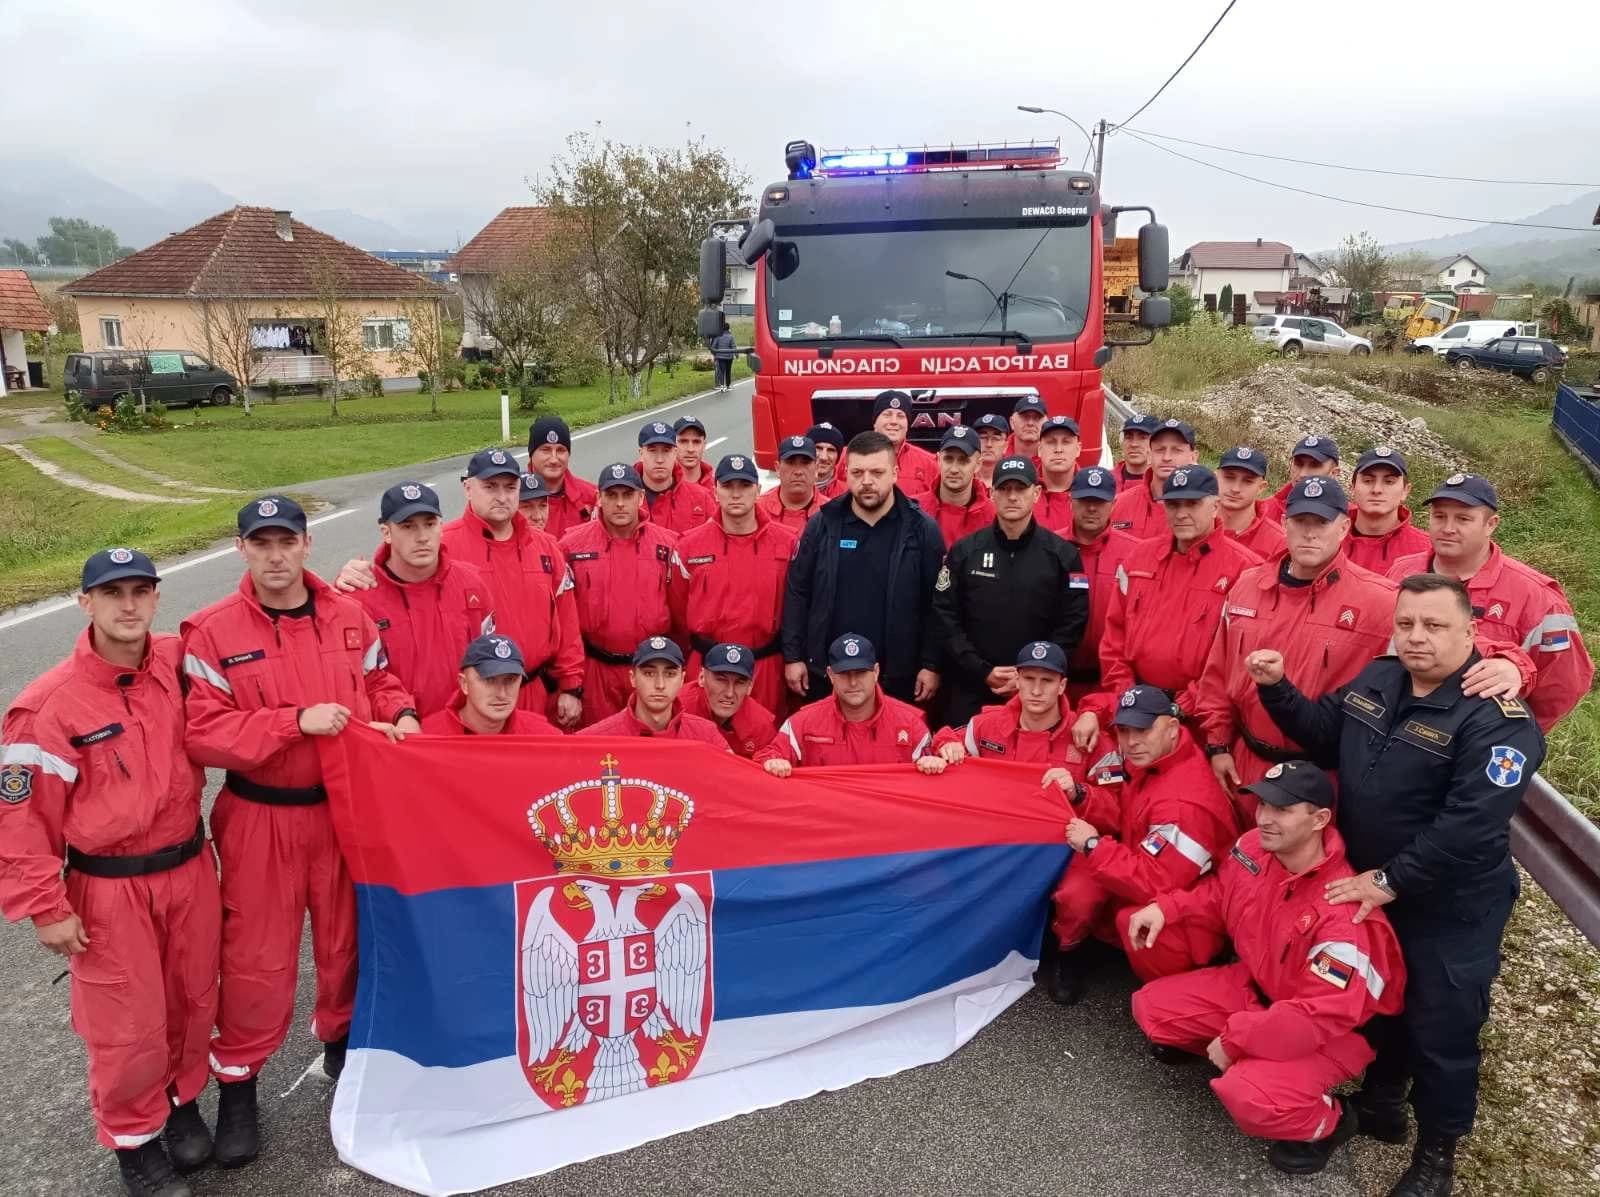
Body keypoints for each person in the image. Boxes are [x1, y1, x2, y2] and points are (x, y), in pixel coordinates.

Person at [1252, 574, 1548, 1196]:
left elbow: (1470, 825)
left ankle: (1437, 1156)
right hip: (1373, 884)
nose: (1417, 637)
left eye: (1435, 625)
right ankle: (1381, 1105)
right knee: (1378, 999)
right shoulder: (1380, 678)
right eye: (1406, 623)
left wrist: (1391, 880)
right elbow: (1322, 733)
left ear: (1471, 632)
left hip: (1450, 903)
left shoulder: (1498, 721)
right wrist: (1278, 688)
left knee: (1442, 1028)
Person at [180, 496, 419, 1168]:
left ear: (307, 545)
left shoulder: (349, 615)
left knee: (347, 941)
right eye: (261, 543)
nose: (276, 556)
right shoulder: (212, 633)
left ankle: (343, 1044)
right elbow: (203, 732)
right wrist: (292, 722)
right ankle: (238, 1084)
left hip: (345, 810)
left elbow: (380, 678)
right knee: (257, 959)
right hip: (262, 815)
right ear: (241, 550)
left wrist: (401, 712)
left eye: (286, 541)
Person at [1, 549, 221, 1197]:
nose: (128, 605)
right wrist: (45, 905)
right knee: (127, 1022)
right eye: (112, 593)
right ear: (85, 603)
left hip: (187, 866)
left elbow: (249, 632)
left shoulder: (176, 663)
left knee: (192, 998)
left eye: (140, 591)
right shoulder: (47, 706)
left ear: (156, 598)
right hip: (109, 888)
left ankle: (180, 1101)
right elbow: (21, 820)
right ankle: (134, 1140)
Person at [1127, 761, 1406, 1178]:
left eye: (1282, 809)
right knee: (1151, 1008)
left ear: (1320, 819)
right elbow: (1222, 892)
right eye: (1262, 805)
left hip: (1333, 1029)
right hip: (1263, 989)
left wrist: (1235, 1038)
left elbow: (1316, 1018)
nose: (1264, 818)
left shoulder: (1342, 916)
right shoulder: (1254, 847)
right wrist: (1167, 908)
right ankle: (1252, 1059)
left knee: (1249, 1095)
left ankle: (1333, 1121)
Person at [1195, 476, 1398, 810]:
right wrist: (1218, 745)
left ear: (1344, 527)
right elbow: (1217, 672)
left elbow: (1449, 638)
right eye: (1300, 520)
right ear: (1284, 523)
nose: (1309, 532)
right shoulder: (1247, 586)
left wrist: (1498, 662)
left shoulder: (1380, 601)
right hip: (1245, 763)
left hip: (1318, 778)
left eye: (1321, 522)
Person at [1045, 685, 1236, 1005]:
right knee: (1078, 892)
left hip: (1190, 904)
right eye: (1124, 730)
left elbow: (1153, 882)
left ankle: (1176, 996)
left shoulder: (1182, 804)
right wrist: (1081, 793)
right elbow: (1121, 810)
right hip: (1141, 857)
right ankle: (1074, 949)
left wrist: (1093, 845)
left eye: (1143, 730)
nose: (1131, 741)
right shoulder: (1153, 754)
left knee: (1137, 921)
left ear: (1172, 728)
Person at [1389, 472, 1591, 731]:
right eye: (1439, 516)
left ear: (1491, 524)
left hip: (1474, 741)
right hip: (1391, 726)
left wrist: (1512, 734)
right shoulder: (1401, 571)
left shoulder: (1537, 596)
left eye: (1463, 519)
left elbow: (1563, 684)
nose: (1448, 528)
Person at [1080, 465, 1261, 730]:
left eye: (1192, 504)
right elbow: (1114, 636)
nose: (1181, 513)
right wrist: (1127, 693)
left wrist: (1182, 706)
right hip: (1134, 709)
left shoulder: (1245, 571)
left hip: (1200, 719)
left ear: (1215, 506)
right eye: (1173, 504)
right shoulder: (1139, 558)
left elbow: (1237, 660)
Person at [782, 430, 945, 704]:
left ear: (894, 473)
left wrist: (931, 664)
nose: (867, 481)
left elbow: (937, 604)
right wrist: (793, 656)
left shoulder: (922, 530)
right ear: (846, 474)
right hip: (829, 674)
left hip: (899, 676)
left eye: (877, 472)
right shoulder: (822, 525)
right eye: (858, 473)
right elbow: (798, 592)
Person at [930, 454, 1088, 728]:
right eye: (1004, 489)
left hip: (1036, 694)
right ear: (992, 493)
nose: (1012, 497)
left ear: (1036, 493)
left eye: (1020, 489)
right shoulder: (965, 552)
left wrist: (1030, 674)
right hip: (970, 689)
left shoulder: (1063, 556)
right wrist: (982, 670)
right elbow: (945, 616)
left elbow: (1073, 622)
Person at [443, 447, 584, 722]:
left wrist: (571, 685)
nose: (502, 497)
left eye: (509, 487)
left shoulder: (546, 547)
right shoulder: (444, 546)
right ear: (468, 488)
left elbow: (567, 620)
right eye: (490, 487)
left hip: (536, 691)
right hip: (473, 699)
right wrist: (358, 574)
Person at [346, 481, 494, 717]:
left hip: (466, 725)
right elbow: (364, 679)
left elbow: (489, 658)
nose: (422, 537)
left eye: (429, 524)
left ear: (441, 526)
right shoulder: (359, 597)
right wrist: (400, 714)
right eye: (408, 526)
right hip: (401, 731)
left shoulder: (471, 582)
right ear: (386, 532)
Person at [559, 463, 686, 725]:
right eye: (611, 495)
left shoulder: (669, 545)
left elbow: (681, 612)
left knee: (652, 741)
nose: (619, 504)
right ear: (598, 497)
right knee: (599, 744)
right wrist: (571, 682)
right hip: (596, 670)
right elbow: (562, 619)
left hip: (651, 669)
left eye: (627, 495)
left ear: (640, 497)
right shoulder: (571, 546)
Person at [675, 453, 798, 717]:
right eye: (728, 486)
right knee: (701, 736)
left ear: (758, 490)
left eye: (744, 485)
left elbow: (797, 607)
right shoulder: (689, 546)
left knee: (764, 735)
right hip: (706, 665)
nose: (735, 494)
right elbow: (677, 609)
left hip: (764, 666)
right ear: (715, 490)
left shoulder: (788, 543)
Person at [757, 634, 930, 773]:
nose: (853, 682)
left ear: (876, 672)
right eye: (844, 674)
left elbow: (935, 768)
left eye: (861, 672)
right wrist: (773, 762)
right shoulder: (802, 723)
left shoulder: (911, 724)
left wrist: (936, 759)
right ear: (831, 675)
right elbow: (768, 756)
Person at [922, 640, 1084, 769]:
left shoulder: (1083, 734)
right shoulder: (986, 725)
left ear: (1062, 685)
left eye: (1047, 681)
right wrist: (947, 745)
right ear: (1017, 680)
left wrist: (1078, 792)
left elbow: (1101, 792)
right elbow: (944, 738)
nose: (1036, 691)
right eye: (1029, 679)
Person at [1065, 467, 1136, 703]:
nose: (1092, 508)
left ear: (1114, 504)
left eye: (1100, 501)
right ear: (1070, 501)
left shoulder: (1135, 553)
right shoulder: (1049, 547)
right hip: (1056, 680)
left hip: (1113, 683)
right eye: (1085, 500)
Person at [575, 636, 729, 745]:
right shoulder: (596, 740)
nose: (660, 685)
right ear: (633, 678)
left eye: (670, 674)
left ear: (682, 679)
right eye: (649, 673)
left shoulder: (706, 736)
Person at [420, 634, 561, 736]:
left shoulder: (543, 736)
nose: (502, 693)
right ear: (464, 684)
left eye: (510, 680)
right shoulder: (427, 736)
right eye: (489, 680)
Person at [678, 642, 780, 757]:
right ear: (702, 678)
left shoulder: (761, 726)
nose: (729, 693)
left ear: (750, 687)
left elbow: (768, 760)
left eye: (739, 682)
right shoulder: (676, 707)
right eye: (721, 680)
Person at [832, 390, 939, 493]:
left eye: (900, 416)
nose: (894, 421)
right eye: (887, 415)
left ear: (907, 424)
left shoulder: (929, 463)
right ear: (875, 422)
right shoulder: (845, 457)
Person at [1110, 418, 1200, 540]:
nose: (1166, 457)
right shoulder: (1119, 503)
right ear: (1149, 455)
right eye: (1160, 450)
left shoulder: (1205, 509)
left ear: (1193, 457)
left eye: (1176, 450)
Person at [906, 425, 994, 548]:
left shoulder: (994, 517)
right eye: (948, 459)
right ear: (938, 460)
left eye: (963, 461)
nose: (954, 469)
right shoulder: (910, 510)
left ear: (978, 465)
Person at [1344, 447, 1430, 573]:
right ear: (1352, 488)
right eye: (1368, 481)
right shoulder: (1328, 540)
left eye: (1389, 482)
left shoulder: (1427, 550)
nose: (1377, 490)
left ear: (1405, 491)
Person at [636, 420, 715, 533]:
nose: (659, 460)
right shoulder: (623, 498)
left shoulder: (701, 498)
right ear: (641, 454)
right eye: (652, 451)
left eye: (666, 451)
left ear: (675, 453)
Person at [527, 416, 598, 540]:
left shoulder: (592, 496)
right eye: (546, 450)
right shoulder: (513, 499)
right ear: (531, 454)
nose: (554, 459)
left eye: (561, 450)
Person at [1216, 445, 1287, 561]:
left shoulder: (1279, 543)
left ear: (1261, 487)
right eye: (1229, 477)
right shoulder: (1194, 523)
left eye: (1247, 481)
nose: (1235, 488)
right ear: (1215, 478)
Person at [1261, 435, 1340, 523]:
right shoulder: (1264, 511)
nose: (1302, 474)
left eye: (1314, 465)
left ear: (1334, 473)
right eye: (1298, 463)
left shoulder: (1345, 518)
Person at [759, 435, 826, 530]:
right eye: (790, 463)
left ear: (816, 469)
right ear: (777, 468)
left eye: (805, 463)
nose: (798, 472)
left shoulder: (832, 512)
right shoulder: (757, 510)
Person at [1033, 415, 1081, 535]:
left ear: (1078, 449)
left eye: (1066, 442)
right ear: (1039, 449)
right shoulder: (1023, 489)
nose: (1058, 449)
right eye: (1051, 442)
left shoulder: (1093, 492)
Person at [1116, 413, 1161, 493]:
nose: (1134, 444)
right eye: (1128, 437)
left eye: (1143, 438)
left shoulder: (1164, 484)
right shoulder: (1106, 481)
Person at [806, 422, 847, 498]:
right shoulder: (787, 490)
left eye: (831, 450)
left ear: (838, 457)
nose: (823, 457)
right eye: (818, 448)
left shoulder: (848, 494)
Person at [674, 415, 713, 489]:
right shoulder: (662, 486)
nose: (690, 449)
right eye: (683, 441)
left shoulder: (717, 487)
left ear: (704, 445)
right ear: (673, 445)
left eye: (696, 442)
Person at [971, 412, 1010, 487]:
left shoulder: (1013, 479)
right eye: (983, 437)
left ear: (1005, 446)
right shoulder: (964, 477)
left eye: (996, 438)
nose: (989, 444)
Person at [1006, 394, 1048, 462]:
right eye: (1025, 417)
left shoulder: (1055, 458)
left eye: (1037, 418)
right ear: (1012, 422)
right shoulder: (997, 453)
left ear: (1046, 423)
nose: (1030, 423)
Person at [710, 320, 737, 392]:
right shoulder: (731, 337)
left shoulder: (718, 336)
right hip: (729, 357)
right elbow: (734, 347)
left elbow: (713, 346)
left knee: (722, 371)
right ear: (729, 329)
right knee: (728, 371)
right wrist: (736, 355)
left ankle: (722, 386)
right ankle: (728, 386)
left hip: (720, 357)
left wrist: (715, 354)